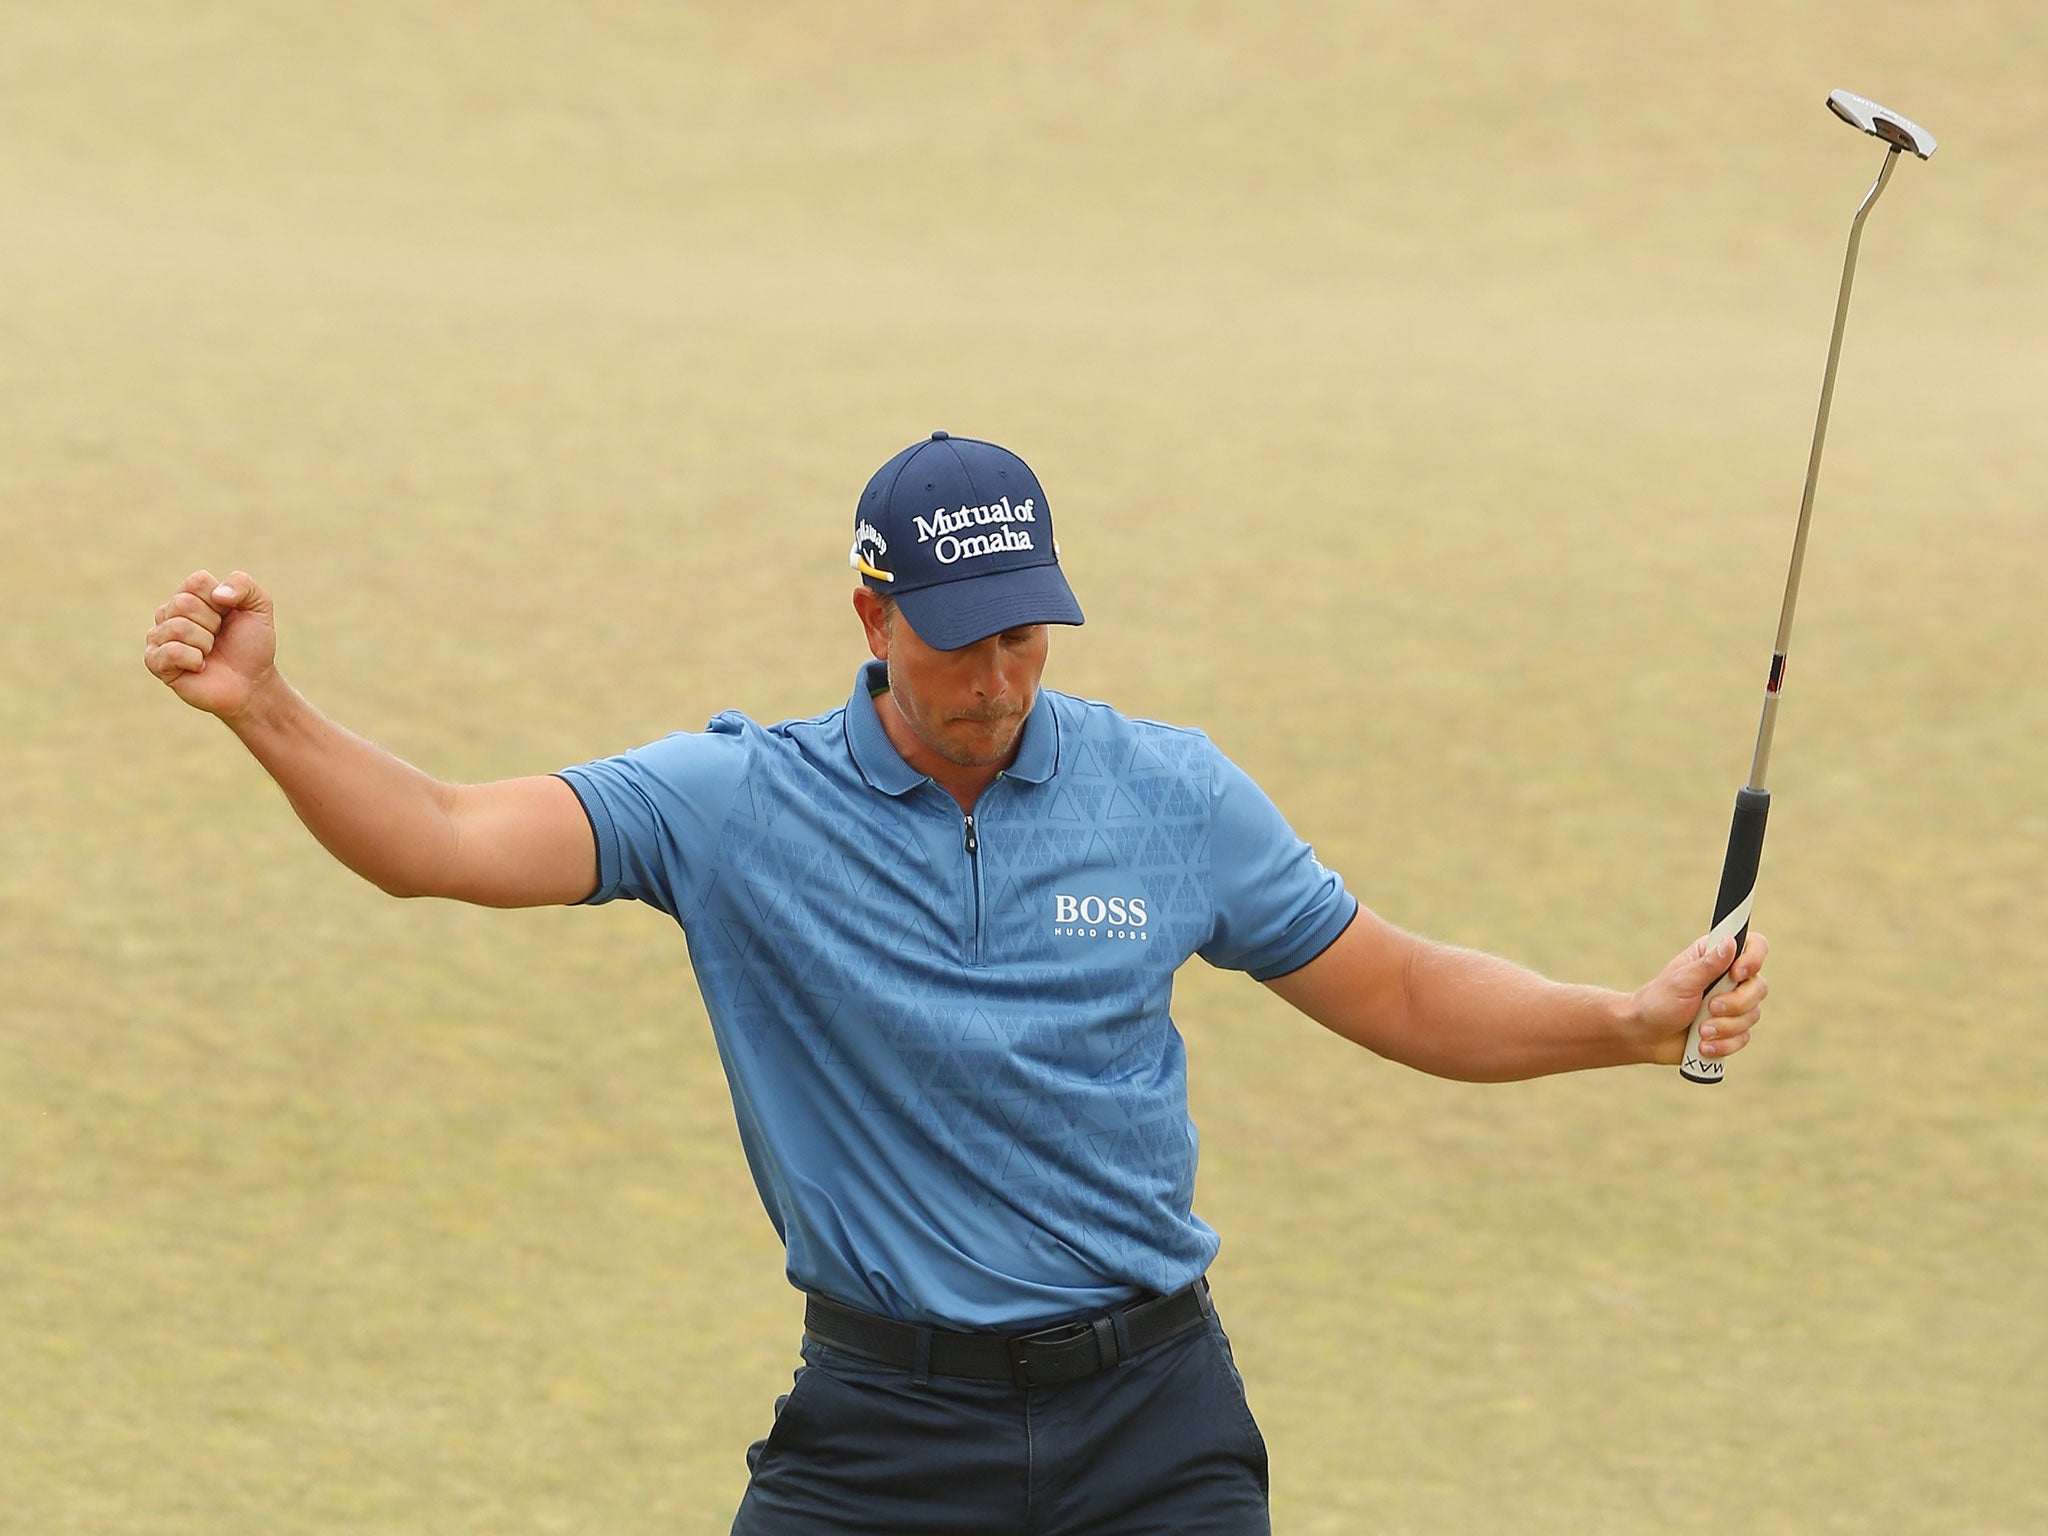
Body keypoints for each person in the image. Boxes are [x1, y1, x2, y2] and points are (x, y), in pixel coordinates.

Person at [143, 431, 1768, 1535]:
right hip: (883, 1428)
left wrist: (1622, 1026)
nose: (996, 676)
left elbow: (1398, 990)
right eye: (959, 637)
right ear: (872, 614)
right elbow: (436, 836)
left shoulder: (1172, 792)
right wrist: (267, 709)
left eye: (1027, 636)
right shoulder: (734, 807)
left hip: (1157, 1420)